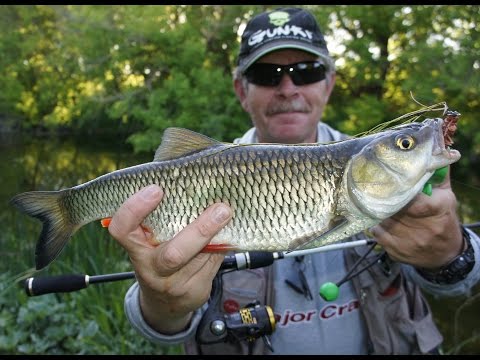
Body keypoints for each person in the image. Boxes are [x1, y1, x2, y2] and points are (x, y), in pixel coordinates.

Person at [106, 7, 480, 355]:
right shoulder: (198, 175)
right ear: (241, 90)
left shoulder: (385, 171)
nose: (288, 88)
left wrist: (451, 254)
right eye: (267, 76)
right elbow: (158, 323)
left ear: (329, 83)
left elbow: (462, 280)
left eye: (306, 71)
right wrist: (162, 301)